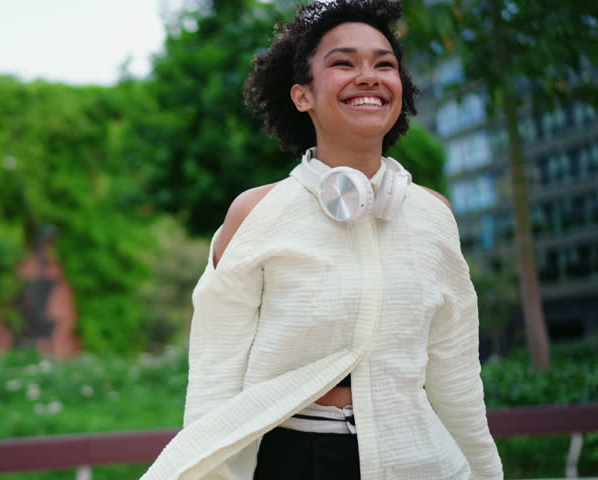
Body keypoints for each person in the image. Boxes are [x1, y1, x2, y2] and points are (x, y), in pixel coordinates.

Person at [140, 1, 503, 478]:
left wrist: (486, 472)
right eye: (343, 62)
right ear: (301, 96)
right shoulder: (256, 212)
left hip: (414, 458)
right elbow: (215, 377)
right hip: (293, 460)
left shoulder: (433, 215)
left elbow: (456, 376)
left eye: (384, 64)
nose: (369, 76)